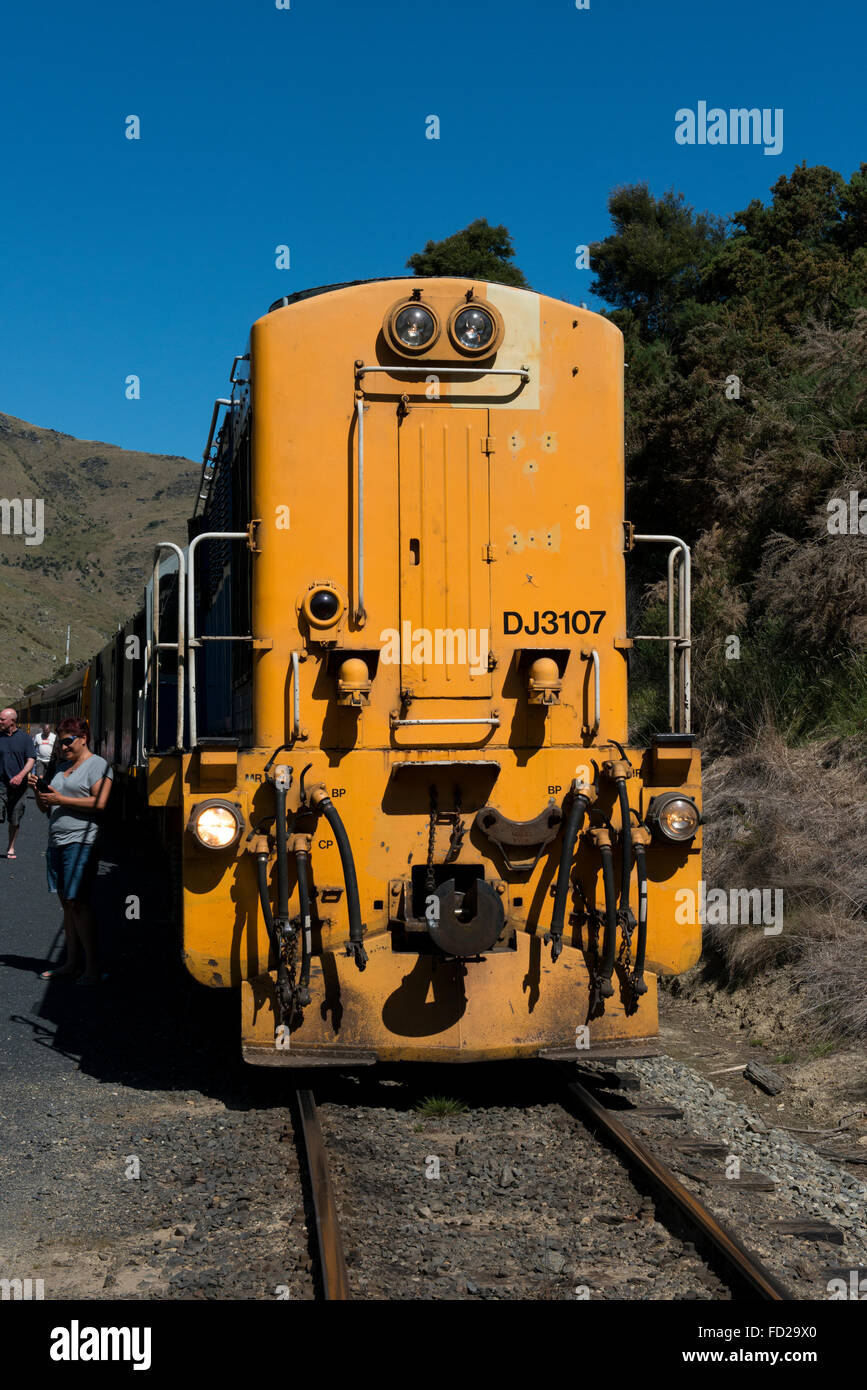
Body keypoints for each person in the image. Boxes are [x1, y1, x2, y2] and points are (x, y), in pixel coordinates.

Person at [29, 717, 113, 984]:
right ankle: (71, 963)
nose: (63, 747)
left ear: (83, 738)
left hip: (81, 841)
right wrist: (41, 794)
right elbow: (48, 808)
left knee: (79, 903)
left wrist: (59, 798)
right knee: (67, 904)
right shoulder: (61, 768)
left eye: (68, 741)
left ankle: (91, 967)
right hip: (57, 840)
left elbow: (100, 802)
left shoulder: (98, 765)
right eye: (60, 742)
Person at [0, 707, 37, 860]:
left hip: (19, 787)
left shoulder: (25, 739)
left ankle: (11, 847)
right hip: (0, 784)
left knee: (15, 819)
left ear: (12, 721)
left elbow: (31, 759)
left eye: (2, 719)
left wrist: (21, 775)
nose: (0, 722)